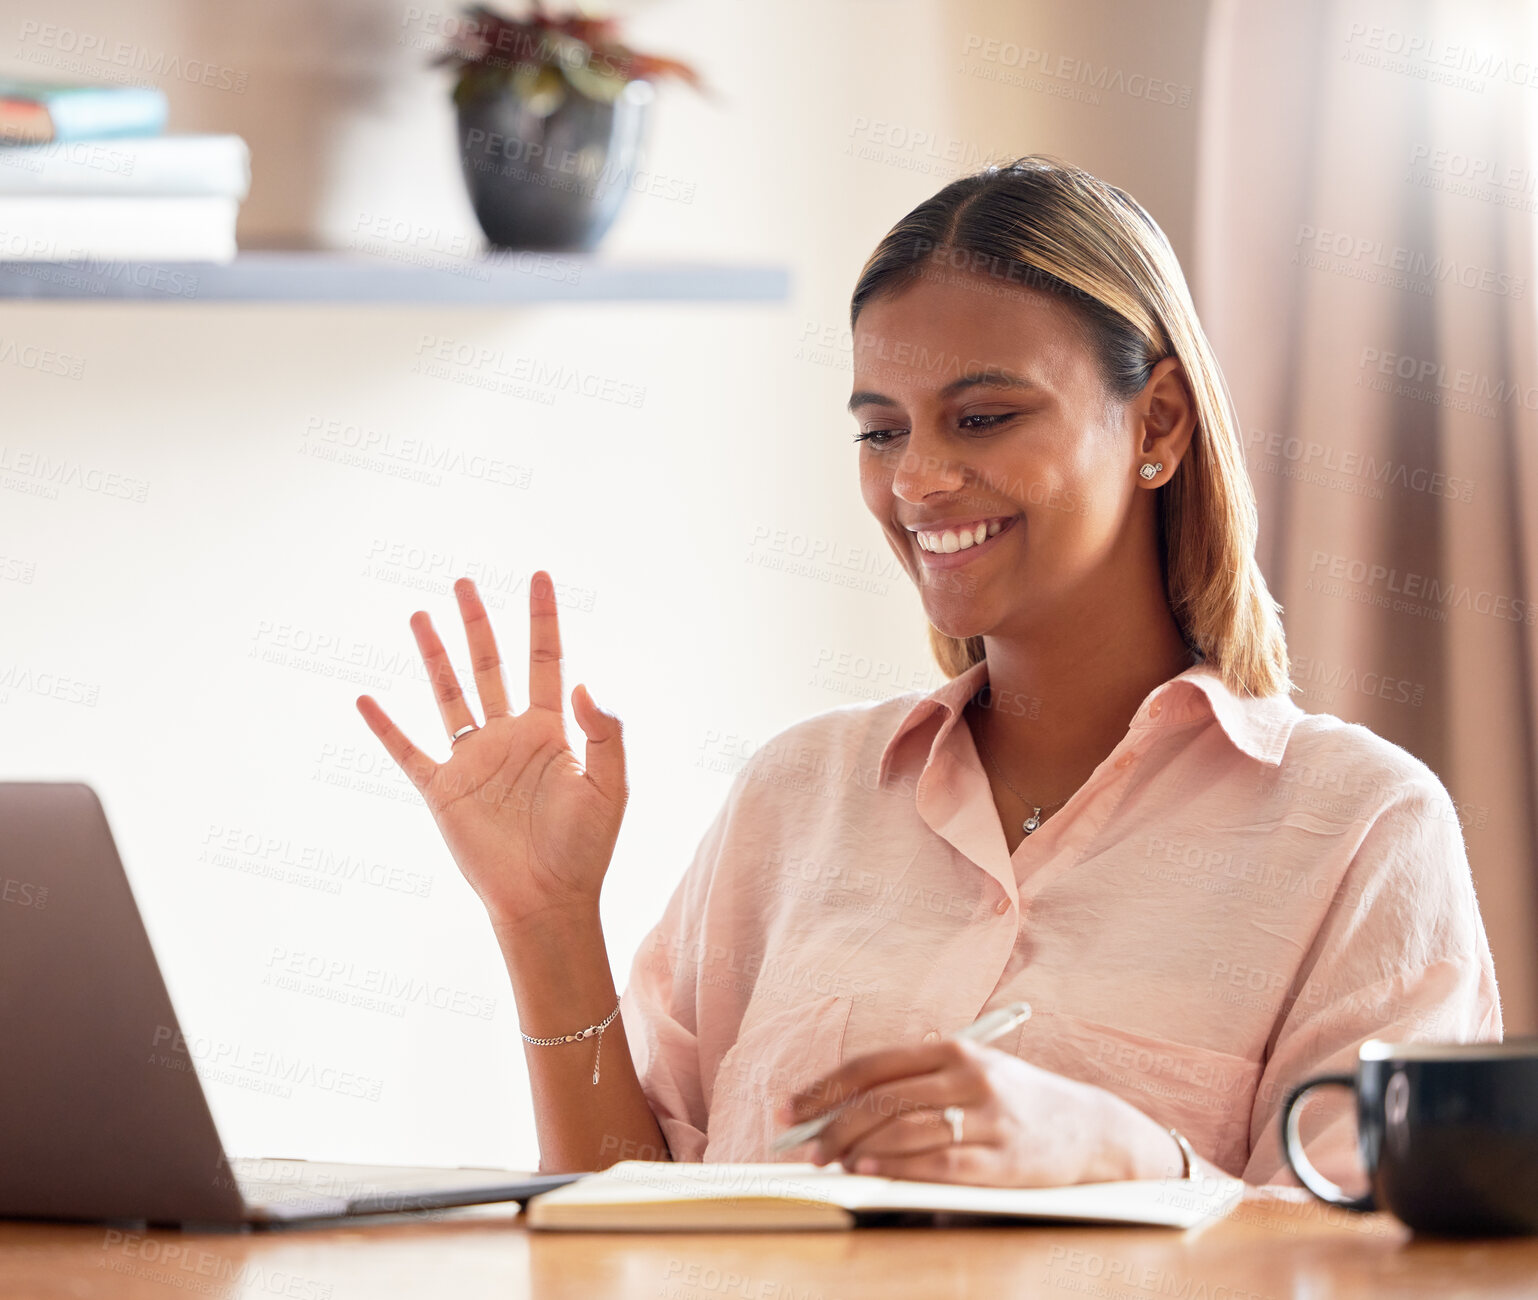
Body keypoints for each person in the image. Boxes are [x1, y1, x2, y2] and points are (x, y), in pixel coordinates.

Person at [356, 155, 1503, 1190]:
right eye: (880, 431)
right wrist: (546, 921)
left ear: (1155, 421)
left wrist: (1126, 1159)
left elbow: (1366, 1266)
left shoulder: (1360, 827)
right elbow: (625, 1226)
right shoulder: (792, 797)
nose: (918, 479)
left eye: (982, 416)